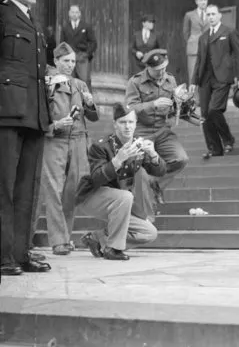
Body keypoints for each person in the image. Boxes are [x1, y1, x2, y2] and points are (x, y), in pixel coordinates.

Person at [0, 0, 52, 276]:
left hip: (34, 113)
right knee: (3, 187)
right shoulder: (3, 12)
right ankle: (3, 254)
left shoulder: (33, 21)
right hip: (6, 111)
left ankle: (20, 253)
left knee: (27, 190)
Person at [77, 103, 164, 261]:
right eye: (123, 122)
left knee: (149, 233)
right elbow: (95, 178)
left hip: (121, 203)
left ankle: (96, 238)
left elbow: (159, 171)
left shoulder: (138, 145)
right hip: (92, 198)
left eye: (131, 122)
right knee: (125, 197)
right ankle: (113, 249)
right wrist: (117, 161)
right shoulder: (101, 146)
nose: (127, 127)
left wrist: (153, 155)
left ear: (136, 123)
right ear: (115, 124)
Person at [39, 42, 99, 256]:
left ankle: (65, 237)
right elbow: (38, 114)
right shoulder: (47, 83)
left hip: (78, 140)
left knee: (73, 191)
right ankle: (59, 241)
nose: (70, 65)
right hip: (55, 139)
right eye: (66, 61)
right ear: (55, 61)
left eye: (73, 61)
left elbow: (92, 117)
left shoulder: (80, 84)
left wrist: (90, 104)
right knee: (53, 190)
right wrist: (54, 125)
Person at [125, 49, 189, 204]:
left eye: (164, 68)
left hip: (163, 130)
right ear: (148, 68)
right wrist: (153, 104)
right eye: (158, 70)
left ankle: (156, 183)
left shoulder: (170, 80)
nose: (162, 73)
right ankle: (140, 198)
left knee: (181, 159)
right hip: (141, 130)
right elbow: (129, 108)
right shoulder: (135, 82)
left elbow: (175, 105)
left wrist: (184, 103)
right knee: (136, 165)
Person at [190, 4, 239, 159]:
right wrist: (194, 81)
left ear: (220, 16)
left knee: (214, 110)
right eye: (208, 15)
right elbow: (199, 60)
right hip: (205, 79)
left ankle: (228, 138)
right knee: (204, 115)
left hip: (222, 77)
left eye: (213, 14)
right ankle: (214, 148)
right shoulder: (203, 37)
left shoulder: (229, 32)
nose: (211, 17)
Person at [60, 4, 97, 89]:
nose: (74, 14)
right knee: (69, 80)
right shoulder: (65, 27)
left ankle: (87, 101)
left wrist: (87, 54)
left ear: (79, 14)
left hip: (82, 57)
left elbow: (93, 42)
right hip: (69, 57)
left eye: (76, 12)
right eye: (72, 12)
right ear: (69, 13)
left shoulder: (86, 26)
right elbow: (62, 43)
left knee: (84, 81)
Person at [183, 0, 209, 83]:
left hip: (208, 48)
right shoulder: (189, 15)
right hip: (194, 49)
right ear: (196, 2)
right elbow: (186, 32)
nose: (203, 2)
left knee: (207, 75)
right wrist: (192, 41)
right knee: (193, 75)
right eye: (201, 0)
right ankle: (194, 97)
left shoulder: (211, 14)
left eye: (205, 0)